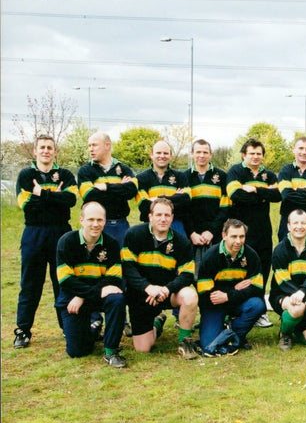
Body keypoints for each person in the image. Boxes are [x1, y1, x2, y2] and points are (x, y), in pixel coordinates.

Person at [13, 134, 78, 349]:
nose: (46, 151)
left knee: (63, 282)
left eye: (50, 147)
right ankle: (23, 330)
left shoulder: (66, 174)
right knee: (30, 284)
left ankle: (67, 327)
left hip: (61, 234)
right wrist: (54, 196)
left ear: (55, 151)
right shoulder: (25, 175)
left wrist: (42, 194)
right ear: (35, 151)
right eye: (42, 147)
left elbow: (70, 200)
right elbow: (27, 205)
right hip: (34, 233)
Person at [121, 198, 199, 359]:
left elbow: (187, 274)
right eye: (158, 215)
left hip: (166, 293)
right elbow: (127, 268)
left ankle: (185, 343)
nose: (163, 219)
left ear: (172, 217)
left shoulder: (181, 241)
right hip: (141, 295)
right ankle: (157, 321)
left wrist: (167, 289)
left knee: (190, 296)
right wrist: (148, 287)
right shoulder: (134, 234)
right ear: (150, 216)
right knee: (143, 349)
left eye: (167, 215)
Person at [55, 202, 126, 367]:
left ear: (105, 221)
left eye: (100, 220)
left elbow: (114, 279)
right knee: (77, 352)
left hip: (93, 296)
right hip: (73, 298)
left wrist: (84, 295)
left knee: (117, 299)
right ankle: (94, 328)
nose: (95, 224)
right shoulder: (66, 242)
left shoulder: (112, 244)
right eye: (91, 219)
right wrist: (81, 296)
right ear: (81, 220)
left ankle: (111, 351)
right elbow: (66, 281)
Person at [227, 138, 281, 328]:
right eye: (252, 153)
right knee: (241, 269)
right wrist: (263, 195)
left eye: (259, 154)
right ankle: (235, 310)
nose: (256, 157)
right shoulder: (235, 171)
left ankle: (260, 312)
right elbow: (235, 195)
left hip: (264, 230)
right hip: (241, 230)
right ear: (244, 154)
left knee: (263, 269)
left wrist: (255, 189)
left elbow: (278, 195)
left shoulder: (269, 174)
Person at [196, 219, 265, 357]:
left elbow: (257, 288)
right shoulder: (210, 257)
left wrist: (228, 295)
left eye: (242, 236)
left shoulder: (251, 255)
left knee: (257, 305)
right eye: (234, 236)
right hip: (214, 306)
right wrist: (235, 289)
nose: (238, 241)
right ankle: (230, 334)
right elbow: (204, 294)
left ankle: (232, 331)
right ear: (224, 235)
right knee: (208, 345)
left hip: (235, 302)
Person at [270, 209, 306, 351]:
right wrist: (305, 298)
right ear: (288, 226)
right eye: (295, 223)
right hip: (283, 295)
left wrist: (304, 295)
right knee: (297, 307)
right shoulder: (280, 250)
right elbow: (284, 283)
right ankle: (285, 333)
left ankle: (295, 327)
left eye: (303, 223)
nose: (299, 226)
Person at [78, 132, 137, 248]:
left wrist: (106, 187)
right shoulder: (85, 171)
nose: (91, 149)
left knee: (122, 262)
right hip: (96, 225)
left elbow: (132, 190)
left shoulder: (124, 169)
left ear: (107, 146)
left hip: (121, 225)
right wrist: (120, 187)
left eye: (94, 145)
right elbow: (89, 196)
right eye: (89, 146)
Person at [183, 138, 231, 268]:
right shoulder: (184, 177)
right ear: (192, 153)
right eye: (198, 152)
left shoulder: (222, 176)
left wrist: (211, 231)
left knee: (215, 271)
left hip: (215, 234)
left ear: (211, 154)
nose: (201, 155)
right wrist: (191, 233)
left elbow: (225, 208)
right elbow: (183, 209)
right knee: (190, 273)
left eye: (205, 152)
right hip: (192, 235)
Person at [135, 140, 191, 238]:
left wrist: (156, 198)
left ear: (170, 156)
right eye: (158, 153)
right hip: (150, 225)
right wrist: (174, 197)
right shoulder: (141, 178)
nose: (162, 156)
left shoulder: (180, 177)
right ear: (151, 155)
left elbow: (186, 200)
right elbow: (143, 205)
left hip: (175, 224)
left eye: (165, 153)